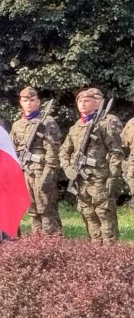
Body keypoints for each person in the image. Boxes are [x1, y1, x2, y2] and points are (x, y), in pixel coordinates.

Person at [60, 88, 124, 245]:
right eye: (80, 101)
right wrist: (67, 167)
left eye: (87, 101)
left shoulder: (103, 125)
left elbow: (116, 152)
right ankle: (95, 248)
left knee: (104, 213)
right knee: (88, 214)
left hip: (99, 178)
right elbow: (63, 151)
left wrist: (113, 176)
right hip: (81, 180)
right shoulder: (75, 128)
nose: (82, 104)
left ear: (96, 104)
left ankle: (110, 250)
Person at [9, 87, 62, 235]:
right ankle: (37, 241)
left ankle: (52, 241)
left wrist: (49, 173)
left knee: (46, 207)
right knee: (32, 209)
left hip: (41, 170)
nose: (29, 103)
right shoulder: (17, 125)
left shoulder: (47, 122)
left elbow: (52, 150)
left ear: (38, 102)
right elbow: (12, 148)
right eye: (25, 100)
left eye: (32, 100)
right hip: (24, 171)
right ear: (21, 102)